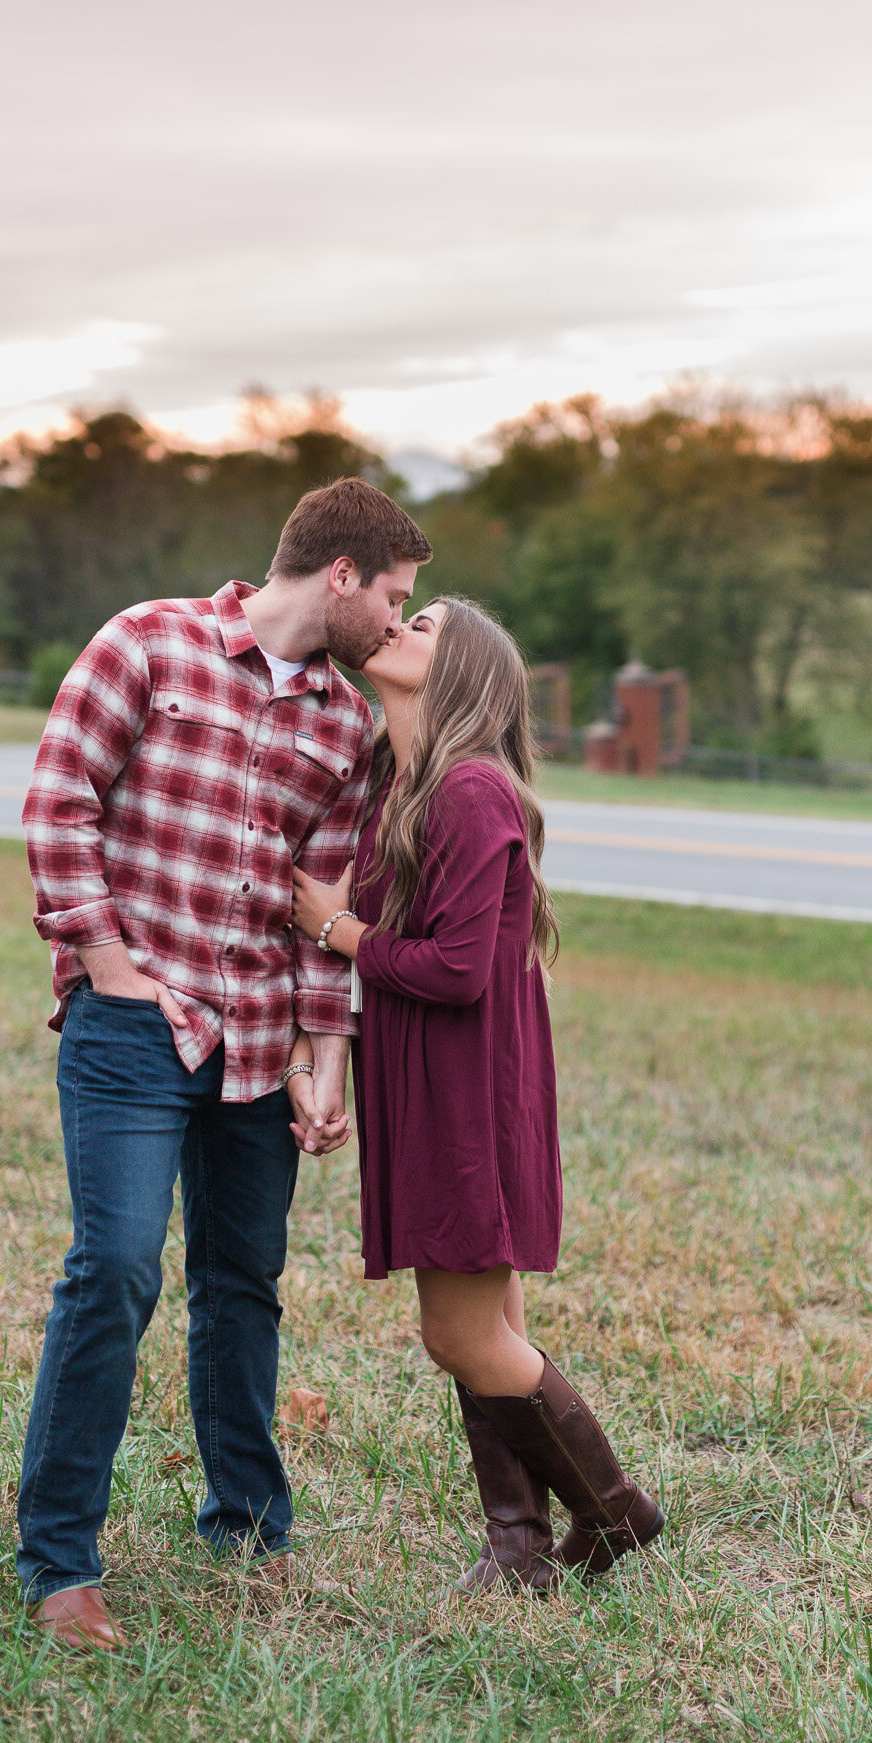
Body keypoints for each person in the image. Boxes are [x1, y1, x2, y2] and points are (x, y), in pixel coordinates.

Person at [16, 477, 432, 1650]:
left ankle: (248, 1523)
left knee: (242, 1284)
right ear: (340, 574)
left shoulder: (346, 726)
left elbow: (325, 899)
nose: (399, 623)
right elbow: (58, 800)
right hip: (137, 1027)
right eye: (396, 597)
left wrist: (326, 1057)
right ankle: (60, 1557)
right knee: (116, 1271)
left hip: (258, 1040)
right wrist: (101, 955)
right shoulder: (146, 644)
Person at [292, 597, 665, 1592]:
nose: (400, 622)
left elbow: (455, 969)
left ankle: (615, 1508)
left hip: (466, 1093)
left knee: (458, 1331)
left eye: (424, 623)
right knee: (486, 1326)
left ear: (462, 673)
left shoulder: (469, 793)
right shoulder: (404, 786)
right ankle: (521, 1549)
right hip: (433, 1083)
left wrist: (340, 932)